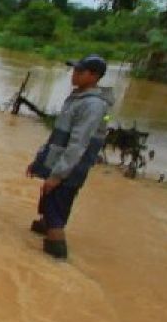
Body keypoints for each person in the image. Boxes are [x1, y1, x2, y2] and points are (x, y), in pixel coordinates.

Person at [26, 55, 115, 260]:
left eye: (80, 71)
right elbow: (58, 136)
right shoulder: (78, 97)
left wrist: (58, 175)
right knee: (49, 195)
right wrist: (40, 160)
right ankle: (46, 226)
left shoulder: (93, 105)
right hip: (59, 160)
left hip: (71, 165)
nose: (74, 75)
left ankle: (56, 252)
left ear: (94, 76)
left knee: (56, 200)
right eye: (74, 70)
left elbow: (78, 144)